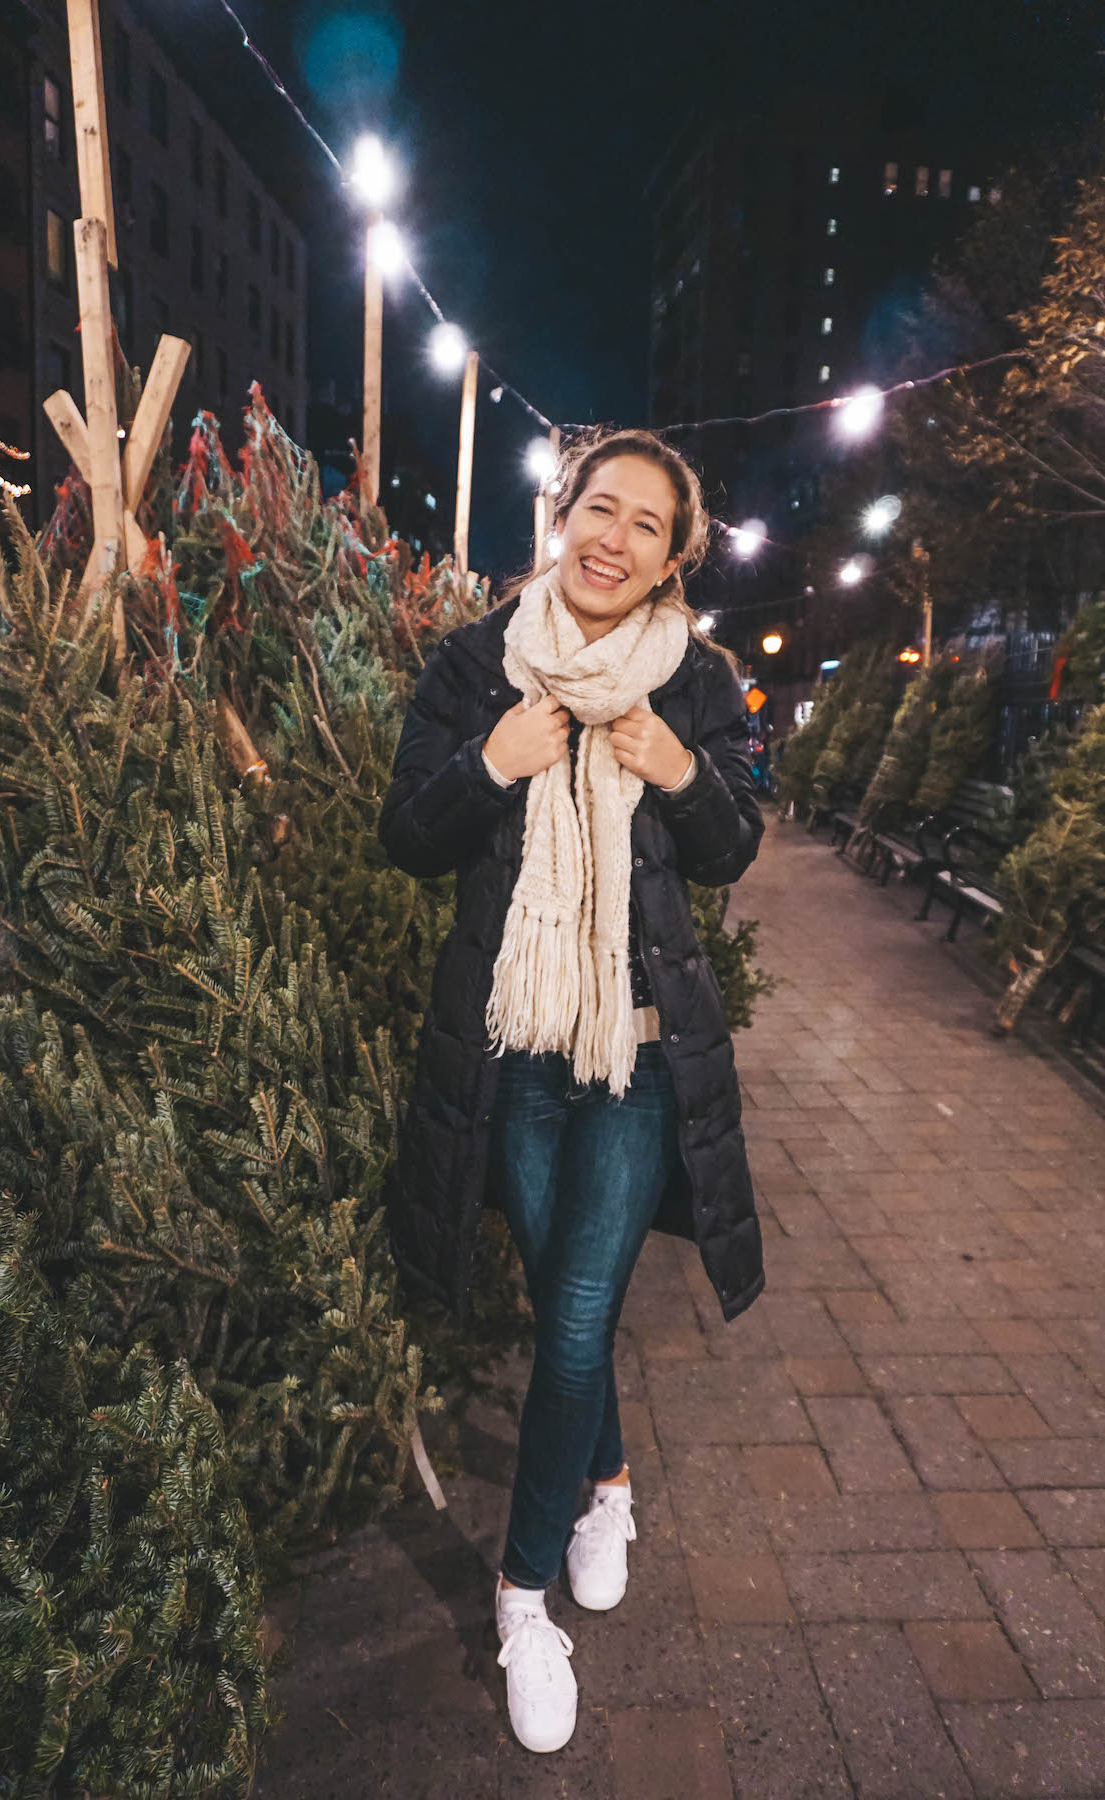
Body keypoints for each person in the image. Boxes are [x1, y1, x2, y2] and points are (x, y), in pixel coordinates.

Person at [378, 426, 766, 1755]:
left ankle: (521, 1596)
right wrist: (494, 758)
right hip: (512, 1050)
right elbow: (408, 835)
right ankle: (605, 1479)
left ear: (672, 557)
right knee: (565, 1311)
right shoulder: (477, 664)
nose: (614, 537)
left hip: (639, 1052)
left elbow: (733, 851)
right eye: (599, 508)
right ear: (562, 515)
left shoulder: (699, 684)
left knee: (582, 1311)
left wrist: (678, 770)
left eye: (645, 524)